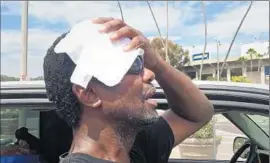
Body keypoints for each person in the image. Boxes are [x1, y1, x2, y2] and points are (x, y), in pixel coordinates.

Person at [43, 17, 214, 163]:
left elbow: (198, 114)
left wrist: (156, 63)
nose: (149, 74)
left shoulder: (135, 147)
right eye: (133, 65)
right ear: (90, 94)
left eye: (142, 61)